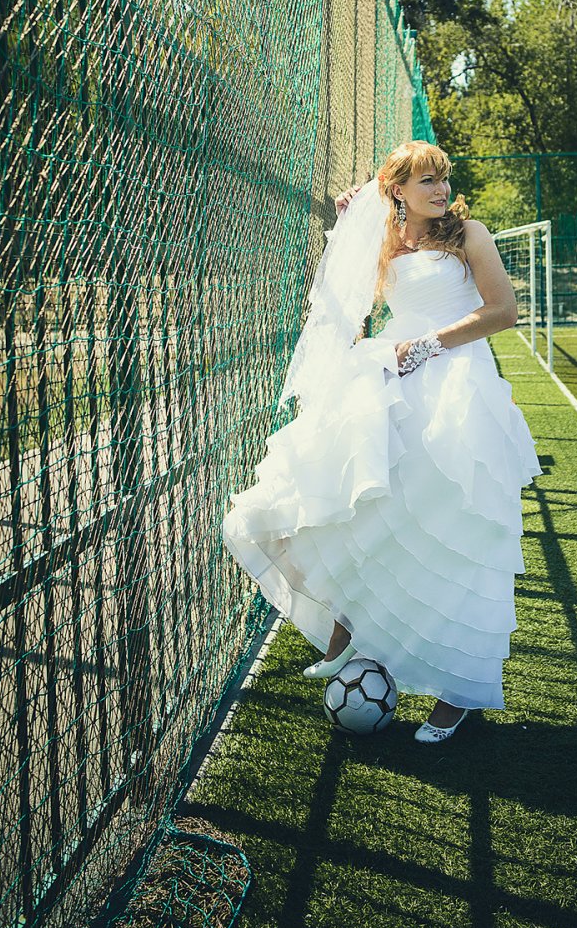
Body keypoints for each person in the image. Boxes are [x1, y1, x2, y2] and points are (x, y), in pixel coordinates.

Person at [222, 141, 541, 743]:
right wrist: (353, 224)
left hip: (457, 384)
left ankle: (457, 693)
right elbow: (347, 300)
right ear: (397, 190)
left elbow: (503, 311)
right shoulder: (386, 240)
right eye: (426, 181)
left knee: (455, 532)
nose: (440, 190)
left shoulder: (469, 234)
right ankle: (350, 621)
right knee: (365, 509)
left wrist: (428, 346)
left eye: (443, 179)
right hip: (389, 382)